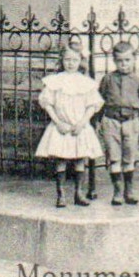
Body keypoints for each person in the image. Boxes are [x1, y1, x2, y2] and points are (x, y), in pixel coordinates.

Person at [35, 44, 103, 208]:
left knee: (80, 159)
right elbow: (47, 103)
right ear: (62, 60)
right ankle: (61, 195)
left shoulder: (86, 83)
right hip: (61, 126)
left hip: (79, 127)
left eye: (74, 60)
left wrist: (82, 123)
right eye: (67, 59)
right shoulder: (55, 81)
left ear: (80, 61)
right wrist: (58, 122)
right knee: (61, 159)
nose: (71, 63)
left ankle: (78, 193)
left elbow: (92, 105)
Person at [97, 40, 139, 206]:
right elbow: (99, 101)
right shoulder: (107, 79)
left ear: (134, 60)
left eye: (127, 60)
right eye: (120, 61)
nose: (123, 64)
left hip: (131, 122)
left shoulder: (138, 81)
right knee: (114, 158)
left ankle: (129, 190)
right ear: (114, 61)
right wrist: (98, 122)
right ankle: (117, 191)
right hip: (111, 122)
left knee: (129, 158)